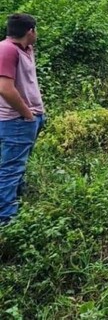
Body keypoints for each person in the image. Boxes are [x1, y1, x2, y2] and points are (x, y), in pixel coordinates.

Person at [0, 14, 46, 225]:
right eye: (36, 30)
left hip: (30, 118)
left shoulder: (25, 49)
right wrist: (27, 114)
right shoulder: (7, 50)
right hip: (17, 121)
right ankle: (7, 219)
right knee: (11, 168)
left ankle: (17, 198)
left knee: (18, 164)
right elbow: (5, 89)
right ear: (30, 31)